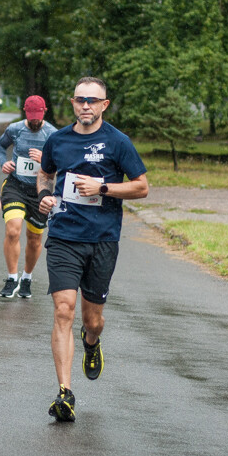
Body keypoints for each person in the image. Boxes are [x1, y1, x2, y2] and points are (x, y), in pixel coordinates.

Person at [36, 77, 148, 423]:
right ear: (72, 103)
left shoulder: (118, 142)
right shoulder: (58, 140)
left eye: (93, 101)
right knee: (63, 309)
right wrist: (44, 196)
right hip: (64, 236)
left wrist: (102, 187)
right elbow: (45, 174)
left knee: (92, 319)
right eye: (80, 100)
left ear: (104, 105)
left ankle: (92, 341)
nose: (86, 106)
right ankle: (65, 392)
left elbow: (142, 187)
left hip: (102, 240)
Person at [0, 95, 57, 299]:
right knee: (13, 230)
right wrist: (4, 162)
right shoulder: (15, 129)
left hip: (40, 191)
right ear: (25, 113)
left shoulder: (53, 134)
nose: (34, 121)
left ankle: (26, 278)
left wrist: (46, 159)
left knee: (34, 238)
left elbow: (63, 162)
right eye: (31, 117)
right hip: (16, 185)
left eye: (38, 117)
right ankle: (12, 277)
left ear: (44, 112)